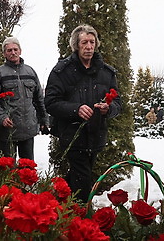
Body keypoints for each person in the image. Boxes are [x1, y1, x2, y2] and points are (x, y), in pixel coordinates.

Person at [44, 24, 121, 203]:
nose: (89, 47)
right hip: (72, 134)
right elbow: (51, 102)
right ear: (76, 46)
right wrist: (75, 109)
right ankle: (82, 216)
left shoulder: (106, 72)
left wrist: (108, 108)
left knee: (79, 176)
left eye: (92, 42)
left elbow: (118, 102)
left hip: (96, 134)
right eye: (84, 42)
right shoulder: (62, 71)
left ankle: (58, 205)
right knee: (83, 178)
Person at [0, 37, 49, 160]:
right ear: (4, 53)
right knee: (8, 171)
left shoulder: (30, 71)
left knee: (27, 169)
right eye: (9, 50)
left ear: (20, 51)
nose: (13, 53)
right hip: (8, 131)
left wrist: (44, 120)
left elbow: (39, 99)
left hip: (28, 129)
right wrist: (2, 118)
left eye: (15, 49)